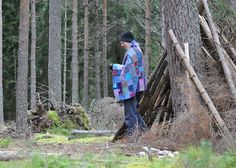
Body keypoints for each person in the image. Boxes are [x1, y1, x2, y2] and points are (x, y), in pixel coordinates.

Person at [110, 31, 147, 137]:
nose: (121, 45)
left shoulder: (133, 52)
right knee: (134, 111)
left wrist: (115, 67)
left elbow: (128, 71)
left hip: (132, 87)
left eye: (123, 43)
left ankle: (132, 137)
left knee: (130, 113)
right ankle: (145, 133)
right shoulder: (136, 49)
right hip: (138, 85)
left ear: (128, 42)